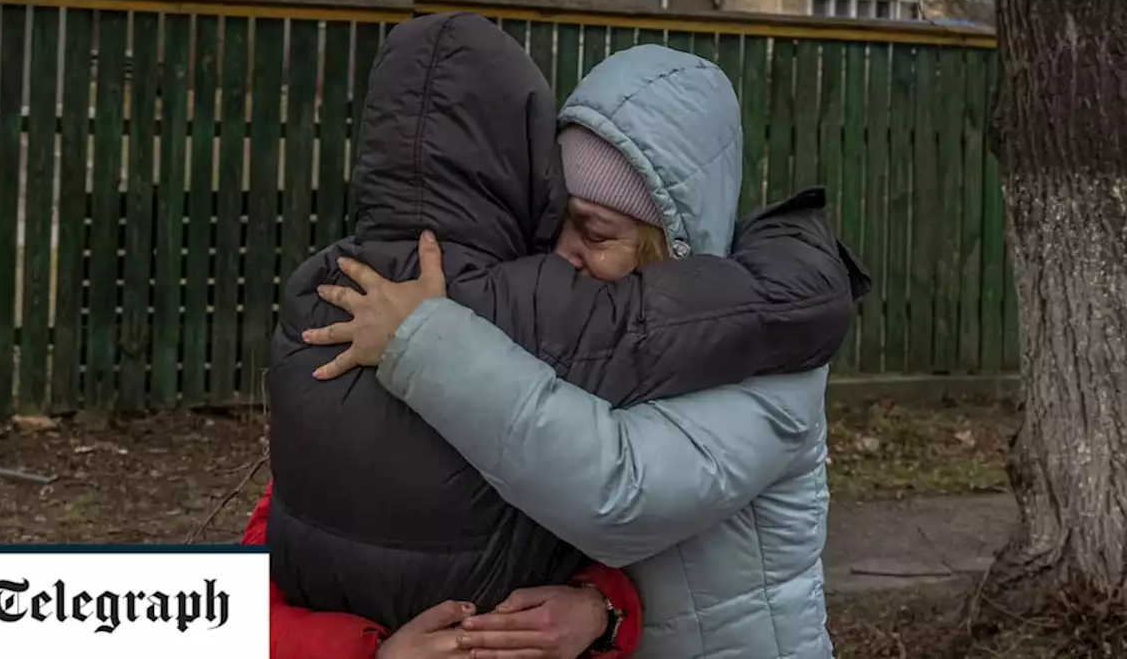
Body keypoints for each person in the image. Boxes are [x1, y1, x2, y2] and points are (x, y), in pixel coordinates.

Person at [298, 40, 870, 659]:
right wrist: (602, 608)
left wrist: (425, 339)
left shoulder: (771, 360)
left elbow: (619, 495)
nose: (564, 252)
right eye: (558, 223)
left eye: (596, 232)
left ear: (672, 241)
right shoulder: (598, 330)